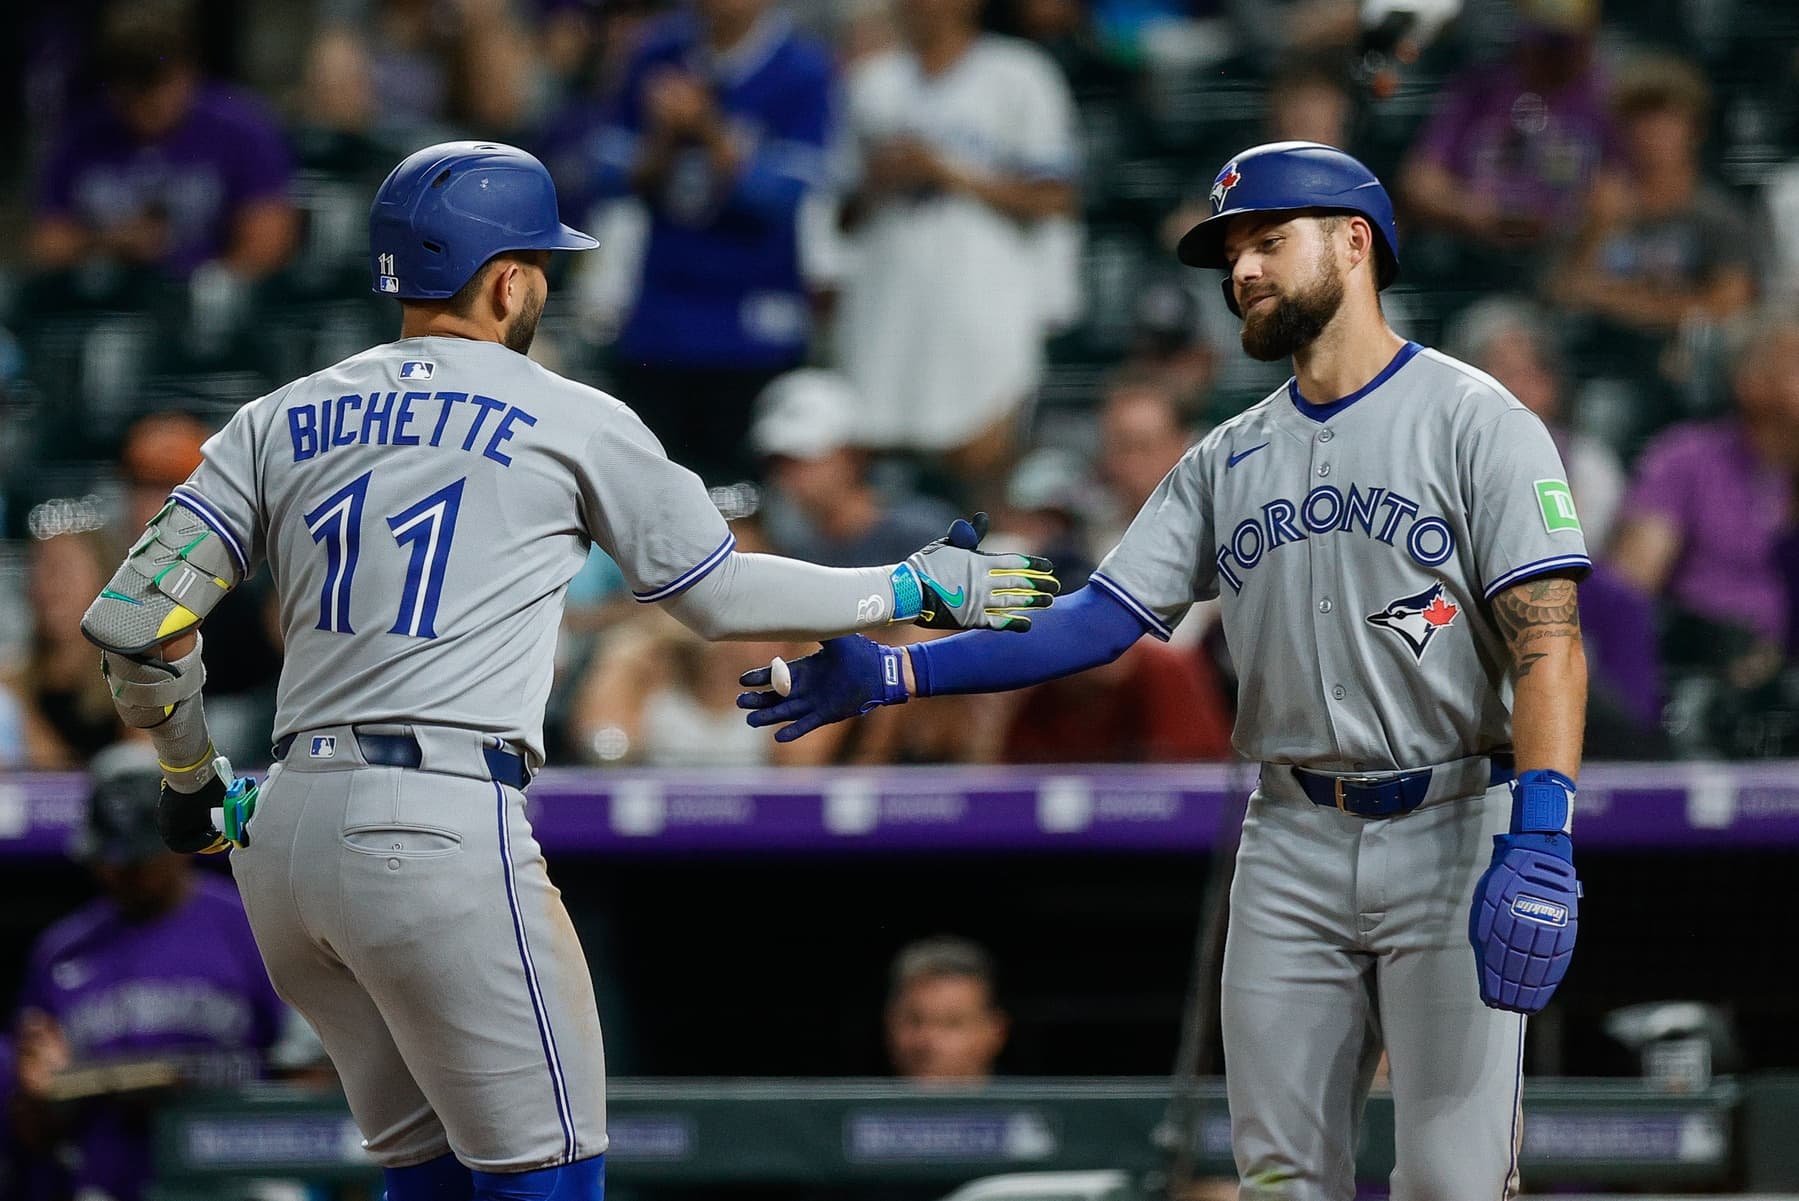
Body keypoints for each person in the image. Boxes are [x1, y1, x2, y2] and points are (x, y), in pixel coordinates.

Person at [75, 140, 1058, 1201]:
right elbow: (715, 596)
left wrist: (188, 784)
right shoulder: (569, 412)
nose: (544, 281)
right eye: (540, 262)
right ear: (506, 279)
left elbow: (134, 619)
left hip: (284, 838)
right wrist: (912, 589)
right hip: (438, 822)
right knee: (552, 1179)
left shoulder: (278, 416)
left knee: (432, 1179)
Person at [742, 141, 1591, 1199]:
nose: (1241, 270)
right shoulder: (1224, 457)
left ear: (1354, 243)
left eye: (1268, 241)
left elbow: (1547, 636)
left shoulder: (1476, 420)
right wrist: (895, 678)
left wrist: (1543, 829)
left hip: (1454, 818)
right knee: (1275, 1177)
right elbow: (1096, 619)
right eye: (1232, 250)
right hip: (1290, 832)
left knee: (1451, 1181)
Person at [8, 743, 289, 1201]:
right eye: (110, 859)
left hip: (240, 1176)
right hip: (111, 1184)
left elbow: (313, 1080)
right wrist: (44, 1093)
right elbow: (33, 1132)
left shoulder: (249, 926)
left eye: (138, 859)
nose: (122, 873)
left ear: (177, 844)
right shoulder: (60, 954)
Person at [572, 0, 836, 484]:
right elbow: (603, 174)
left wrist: (709, 129)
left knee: (743, 501)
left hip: (754, 324)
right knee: (650, 492)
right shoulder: (658, 51)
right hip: (660, 320)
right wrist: (663, 140)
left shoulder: (800, 68)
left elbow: (789, 195)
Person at [834, 0, 1080, 481]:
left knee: (982, 473)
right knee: (884, 470)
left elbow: (1055, 195)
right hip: (889, 311)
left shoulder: (1020, 74)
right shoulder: (871, 84)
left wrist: (946, 171)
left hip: (984, 305)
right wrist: (879, 179)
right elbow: (840, 216)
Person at [29, 0, 298, 281]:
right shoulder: (81, 135)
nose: (143, 105)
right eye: (130, 90)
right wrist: (107, 241)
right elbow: (46, 247)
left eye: (156, 84)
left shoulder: (243, 128)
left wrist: (203, 288)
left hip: (210, 306)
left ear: (188, 70)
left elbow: (269, 243)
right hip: (110, 305)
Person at [750, 369, 959, 568]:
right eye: (778, 462)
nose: (789, 475)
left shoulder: (923, 533)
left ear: (851, 455)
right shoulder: (795, 551)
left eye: (804, 457)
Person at [886, 936, 1009, 1084]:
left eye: (952, 1023)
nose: (927, 1042)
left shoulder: (1029, 1107)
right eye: (914, 1021)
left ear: (997, 1032)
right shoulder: (861, 1106)